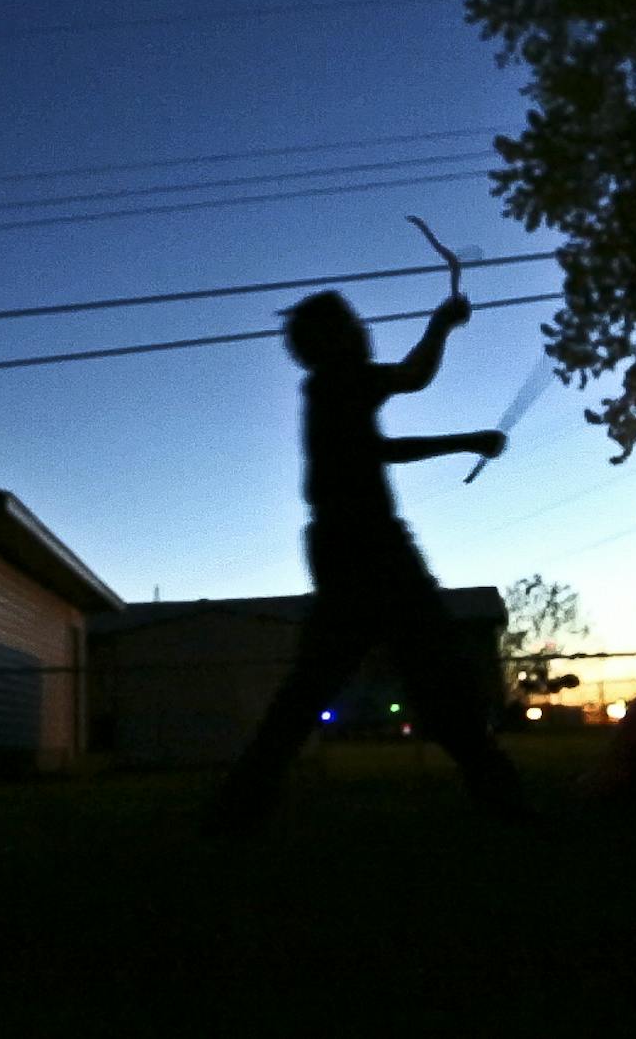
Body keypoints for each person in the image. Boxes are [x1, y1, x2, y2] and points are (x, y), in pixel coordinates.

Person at [201, 289, 535, 834]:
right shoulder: (338, 381)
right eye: (353, 325)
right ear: (334, 340)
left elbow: (379, 448)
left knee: (318, 683)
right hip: (369, 546)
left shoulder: (329, 390)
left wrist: (466, 441)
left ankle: (237, 806)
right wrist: (443, 323)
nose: (364, 331)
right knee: (434, 670)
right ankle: (504, 800)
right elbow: (413, 377)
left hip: (343, 545)